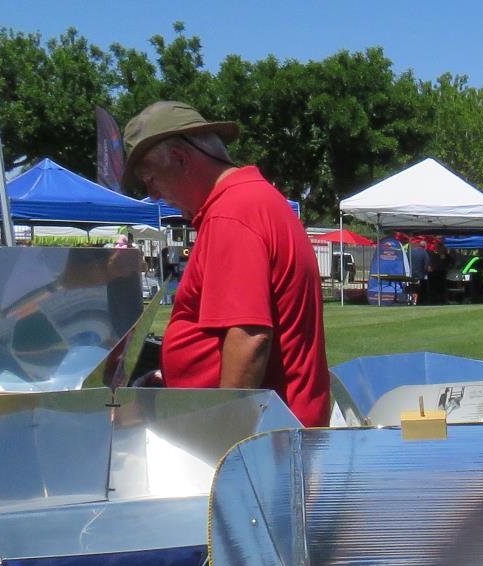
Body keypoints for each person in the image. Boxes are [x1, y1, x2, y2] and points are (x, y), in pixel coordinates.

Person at [122, 100, 330, 426]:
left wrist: (226, 436)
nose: (153, 195)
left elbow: (249, 337)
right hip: (278, 435)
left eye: (151, 179)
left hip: (263, 444)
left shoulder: (231, 213)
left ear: (179, 159)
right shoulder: (252, 201)